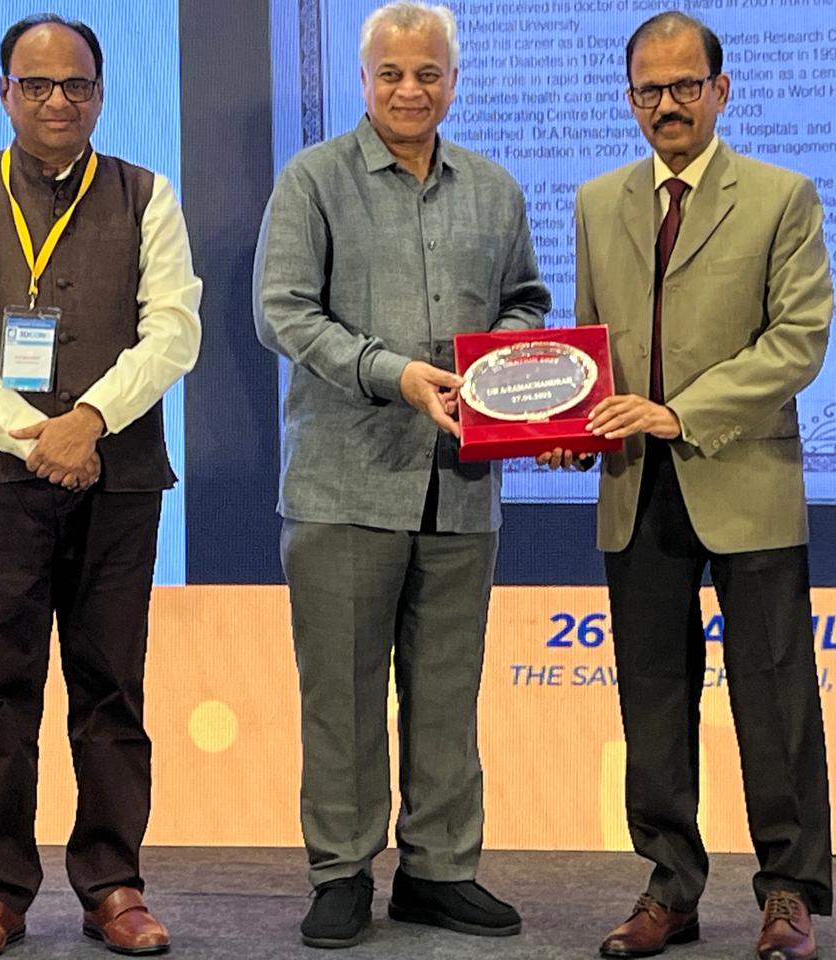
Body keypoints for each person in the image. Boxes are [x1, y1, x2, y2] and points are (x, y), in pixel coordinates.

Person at [252, 0, 550, 949]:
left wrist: (501, 366)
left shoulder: (495, 189)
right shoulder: (313, 180)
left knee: (447, 691)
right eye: (391, 73)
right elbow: (283, 312)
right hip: (344, 485)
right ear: (364, 78)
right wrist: (396, 374)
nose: (410, 89)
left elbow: (527, 302)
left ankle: (438, 871)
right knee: (341, 697)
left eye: (427, 73)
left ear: (454, 82)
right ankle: (341, 871)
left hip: (461, 486)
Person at [541, 11, 834, 959]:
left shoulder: (783, 196)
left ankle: (788, 891)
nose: (667, 104)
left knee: (775, 698)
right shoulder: (597, 201)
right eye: (649, 90)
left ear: (720, 90)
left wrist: (678, 412)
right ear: (630, 100)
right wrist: (573, 430)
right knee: (653, 700)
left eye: (684, 86)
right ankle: (670, 886)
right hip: (635, 486)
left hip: (746, 476)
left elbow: (798, 342)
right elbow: (590, 346)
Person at [0, 13, 203, 960]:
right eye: (36, 85)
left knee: (111, 684)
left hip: (118, 475)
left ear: (101, 93)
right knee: (2, 686)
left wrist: (90, 421)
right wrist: (32, 435)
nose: (57, 101)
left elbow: (175, 329)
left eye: (76, 85)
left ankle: (113, 883)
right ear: (4, 92)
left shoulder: (147, 193)